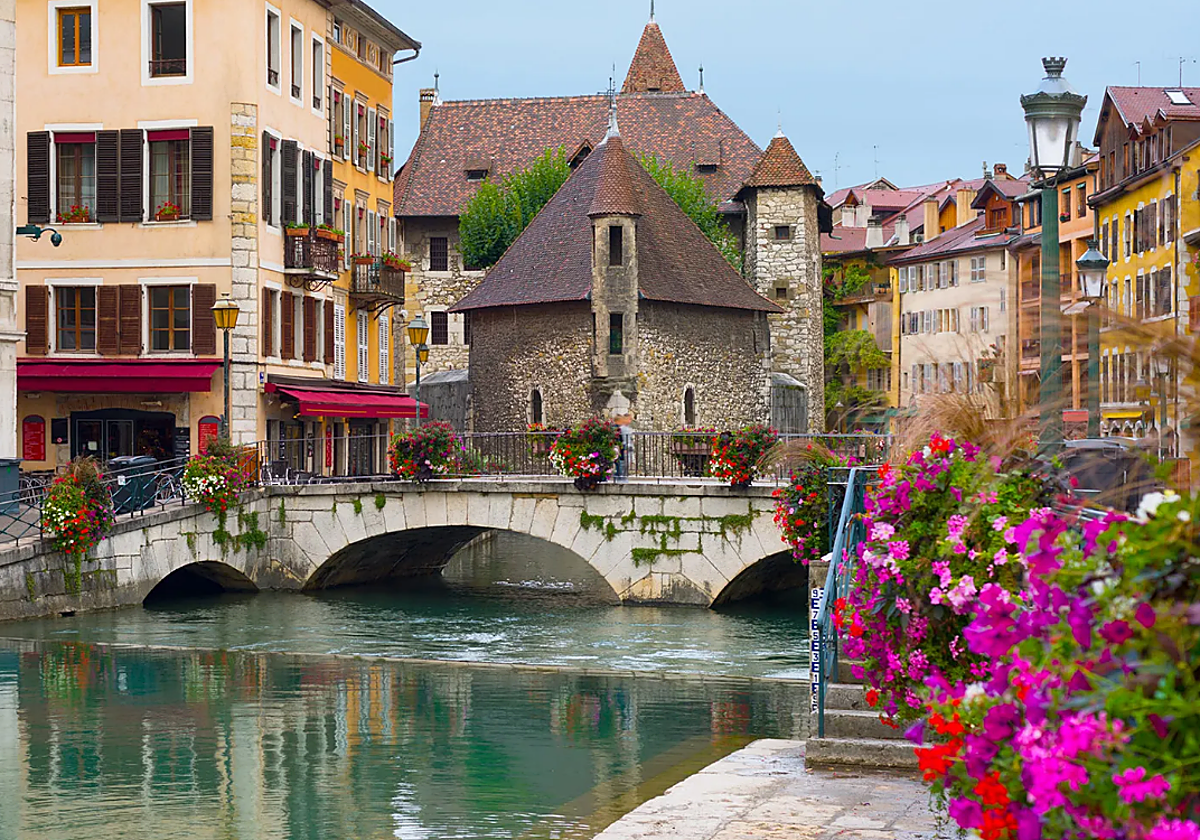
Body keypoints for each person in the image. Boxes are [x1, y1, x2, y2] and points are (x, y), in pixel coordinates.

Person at [615, 415, 635, 482]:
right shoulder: (621, 428)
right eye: (629, 419)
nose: (630, 421)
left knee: (625, 464)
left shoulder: (625, 428)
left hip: (626, 448)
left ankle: (622, 477)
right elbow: (622, 439)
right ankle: (621, 478)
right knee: (622, 464)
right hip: (624, 448)